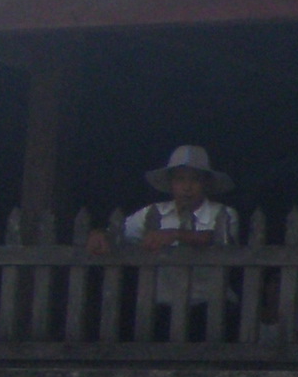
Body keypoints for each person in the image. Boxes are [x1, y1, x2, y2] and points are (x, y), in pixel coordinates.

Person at [95, 144, 241, 336]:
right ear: (171, 183)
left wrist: (175, 234)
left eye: (195, 179)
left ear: (205, 183)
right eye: (180, 179)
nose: (187, 187)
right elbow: (117, 232)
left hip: (211, 308)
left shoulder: (223, 213)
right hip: (162, 310)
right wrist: (99, 234)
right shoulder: (153, 213)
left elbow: (218, 239)